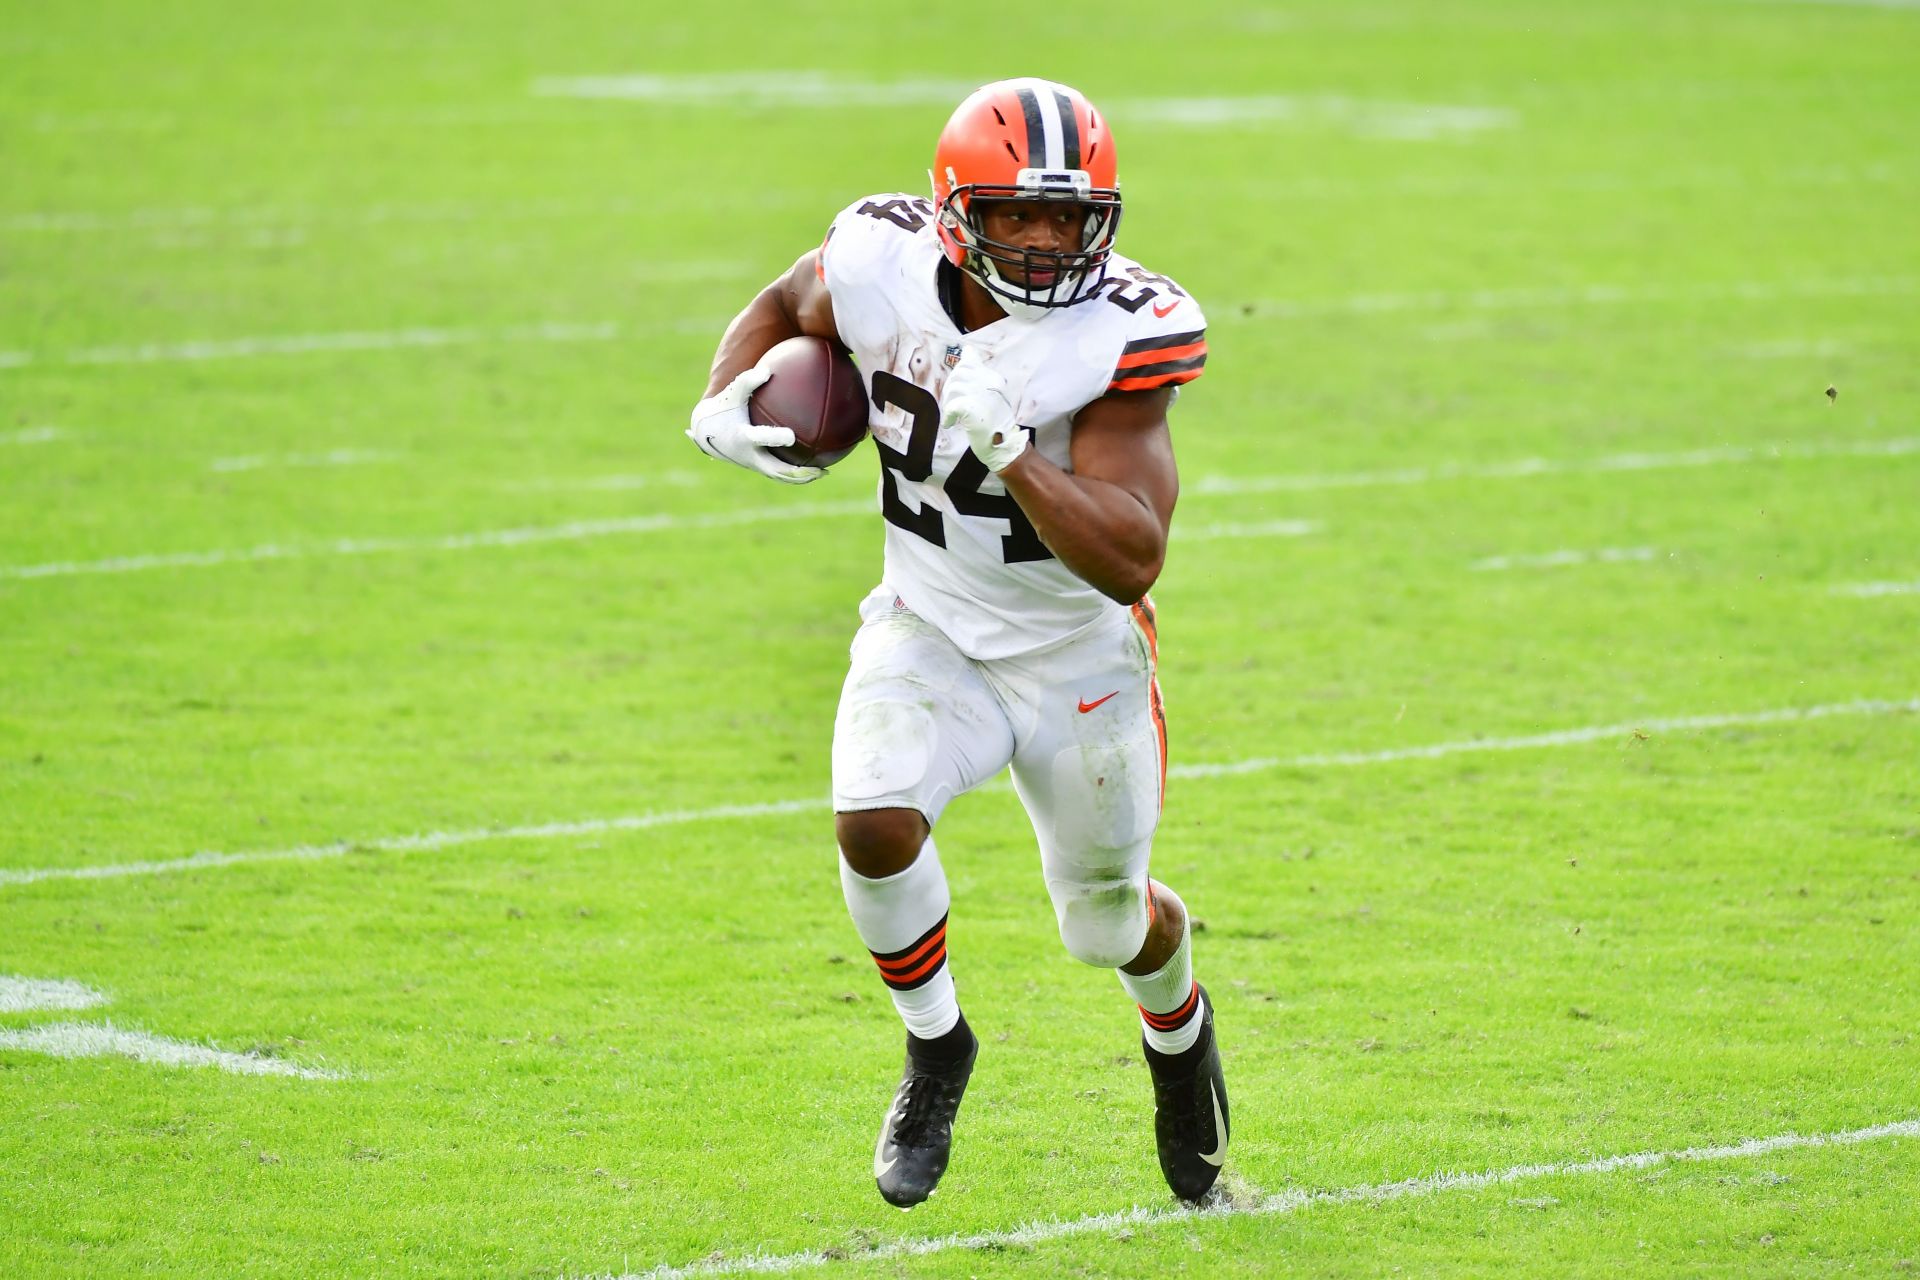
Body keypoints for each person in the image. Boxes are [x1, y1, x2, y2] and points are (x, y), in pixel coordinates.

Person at [687, 78, 1226, 1208]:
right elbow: (790, 303)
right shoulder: (879, 259)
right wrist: (728, 400)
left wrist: (1017, 451)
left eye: (1067, 218)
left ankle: (1180, 1040)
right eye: (1016, 215)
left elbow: (1131, 557)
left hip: (1079, 657)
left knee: (1105, 923)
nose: (1043, 242)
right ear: (952, 212)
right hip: (928, 621)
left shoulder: (1124, 330)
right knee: (874, 817)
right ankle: (938, 1047)